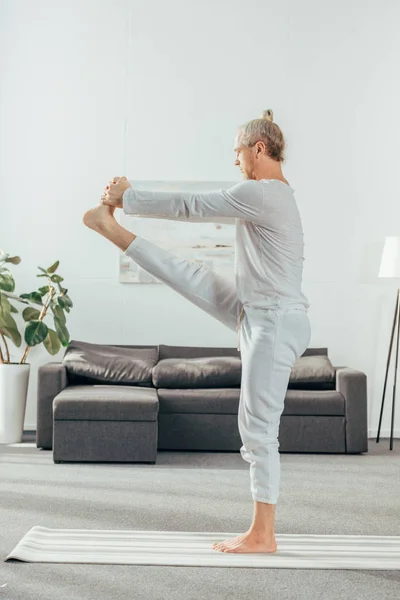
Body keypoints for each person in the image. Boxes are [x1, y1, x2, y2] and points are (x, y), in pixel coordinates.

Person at [83, 109, 311, 554]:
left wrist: (130, 195)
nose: (235, 162)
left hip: (276, 320)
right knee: (190, 276)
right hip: (257, 312)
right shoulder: (271, 196)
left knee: (257, 428)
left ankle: (263, 534)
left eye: (237, 153)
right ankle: (109, 227)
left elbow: (195, 206)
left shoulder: (265, 193)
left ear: (258, 149)